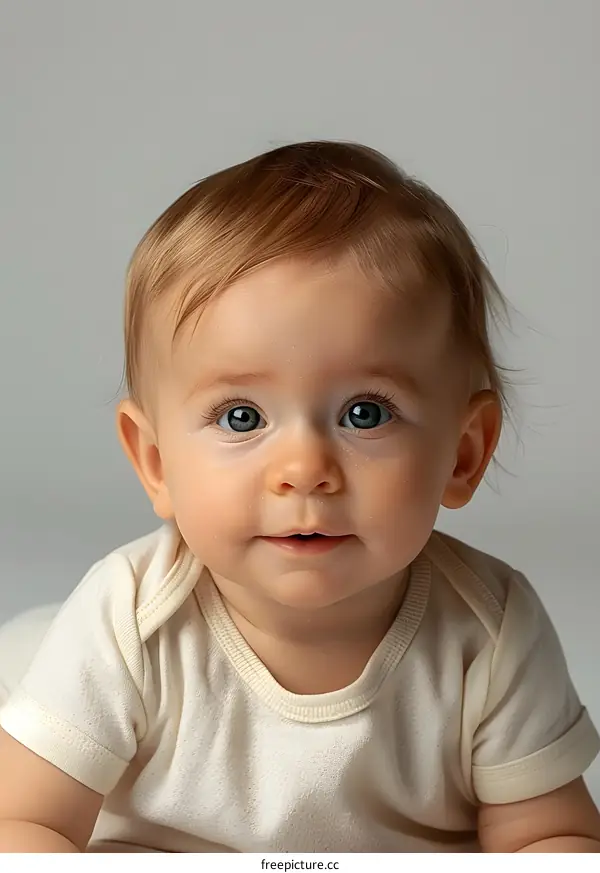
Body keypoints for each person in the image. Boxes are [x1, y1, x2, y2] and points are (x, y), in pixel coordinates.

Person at [0, 141, 599, 854]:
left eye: (365, 413)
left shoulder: (490, 634)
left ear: (463, 454)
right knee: (34, 659)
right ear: (155, 461)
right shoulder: (126, 622)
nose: (304, 470)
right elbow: (22, 825)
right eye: (242, 417)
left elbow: (552, 838)